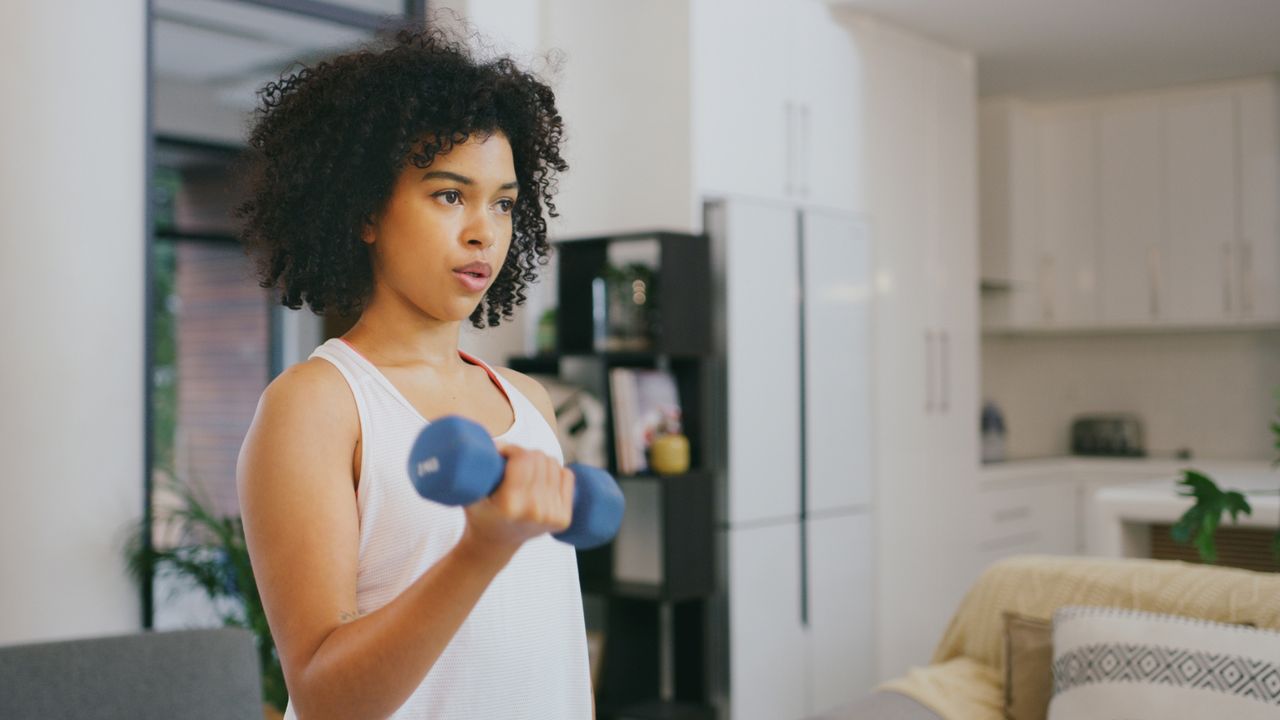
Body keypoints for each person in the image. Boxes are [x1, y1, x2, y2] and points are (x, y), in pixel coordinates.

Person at [233, 17, 591, 720]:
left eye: (504, 203)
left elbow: (552, 654)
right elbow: (325, 697)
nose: (483, 230)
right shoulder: (316, 407)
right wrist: (480, 550)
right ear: (366, 211)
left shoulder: (527, 402)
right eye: (449, 194)